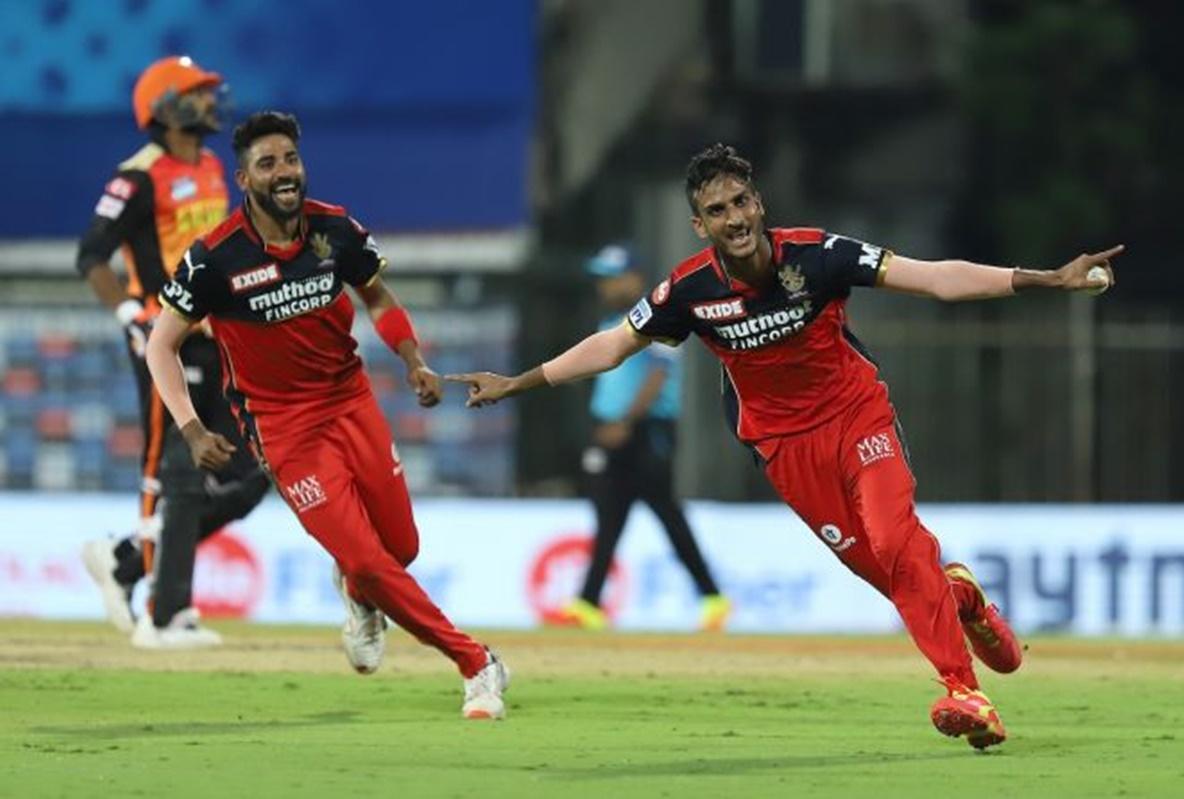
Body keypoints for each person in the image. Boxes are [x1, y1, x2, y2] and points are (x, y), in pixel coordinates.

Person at [449, 143, 1123, 749]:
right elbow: (611, 346)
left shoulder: (819, 254)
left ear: (759, 202)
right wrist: (518, 382)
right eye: (718, 209)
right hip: (786, 453)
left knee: (895, 540)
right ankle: (966, 601)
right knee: (895, 578)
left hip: (859, 418)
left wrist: (1049, 279)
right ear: (701, 226)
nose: (735, 217)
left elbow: (936, 277)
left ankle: (965, 691)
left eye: (742, 201)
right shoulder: (689, 290)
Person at [145, 111, 510, 719]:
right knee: (369, 557)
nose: (284, 172)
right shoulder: (215, 258)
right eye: (268, 163)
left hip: (351, 402)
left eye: (290, 158)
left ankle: (359, 593)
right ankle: (477, 662)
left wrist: (412, 359)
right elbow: (161, 345)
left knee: (399, 548)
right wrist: (190, 425)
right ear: (244, 179)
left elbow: (378, 296)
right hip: (282, 428)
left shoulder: (336, 229)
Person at [76, 56, 269, 648]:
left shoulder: (213, 166)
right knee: (172, 466)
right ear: (167, 107)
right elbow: (91, 256)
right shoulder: (136, 176)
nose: (213, 102)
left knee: (248, 474)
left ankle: (127, 560)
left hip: (216, 339)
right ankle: (165, 614)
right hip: (162, 338)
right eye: (200, 93)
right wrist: (131, 316)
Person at [555, 242, 731, 631]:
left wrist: (626, 422)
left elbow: (657, 376)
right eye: (601, 279)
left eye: (612, 278)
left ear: (635, 278)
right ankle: (588, 603)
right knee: (611, 517)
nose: (604, 286)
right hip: (614, 431)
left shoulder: (657, 318)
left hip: (645, 432)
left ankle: (713, 597)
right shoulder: (611, 325)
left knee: (665, 514)